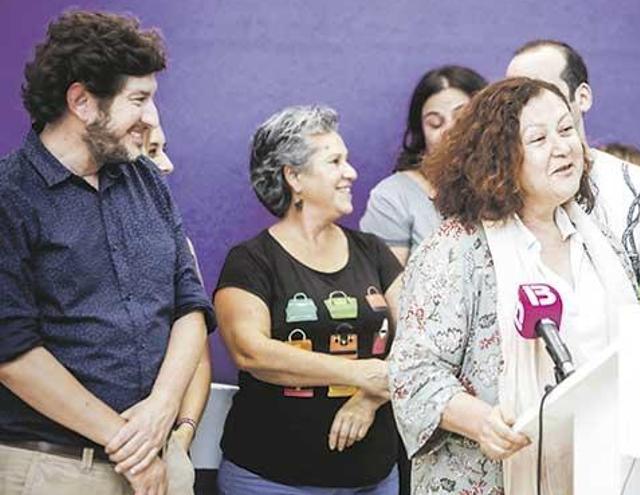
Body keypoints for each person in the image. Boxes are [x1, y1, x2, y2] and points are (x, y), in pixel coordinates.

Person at [389, 77, 639, 494]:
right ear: (500, 158)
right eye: (539, 138)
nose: (563, 147)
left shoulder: (602, 241)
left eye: (566, 129)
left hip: (600, 470)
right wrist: (481, 421)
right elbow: (412, 374)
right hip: (494, 474)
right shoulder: (457, 248)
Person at [0, 10, 213, 495]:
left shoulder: (145, 181)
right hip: (53, 469)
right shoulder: (9, 196)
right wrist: (126, 442)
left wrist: (162, 412)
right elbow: (11, 353)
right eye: (137, 100)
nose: (150, 118)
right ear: (82, 101)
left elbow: (189, 303)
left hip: (160, 461)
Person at [214, 105, 403, 494]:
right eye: (334, 161)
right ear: (294, 176)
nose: (351, 172)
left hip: (374, 476)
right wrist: (356, 372)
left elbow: (423, 338)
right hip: (272, 479)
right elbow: (251, 352)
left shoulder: (374, 252)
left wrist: (369, 398)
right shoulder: (252, 260)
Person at [506, 39, 640, 279]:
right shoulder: (498, 192)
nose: (532, 104)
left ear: (583, 97)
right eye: (516, 96)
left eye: (545, 90)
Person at [360, 65, 487, 265]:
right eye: (435, 123)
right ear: (421, 133)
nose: (449, 130)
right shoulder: (393, 196)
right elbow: (388, 287)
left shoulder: (513, 186)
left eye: (461, 118)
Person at [140, 118, 212, 456]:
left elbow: (197, 356)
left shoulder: (179, 246)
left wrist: (183, 435)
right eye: (152, 151)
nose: (167, 165)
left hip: (166, 450)